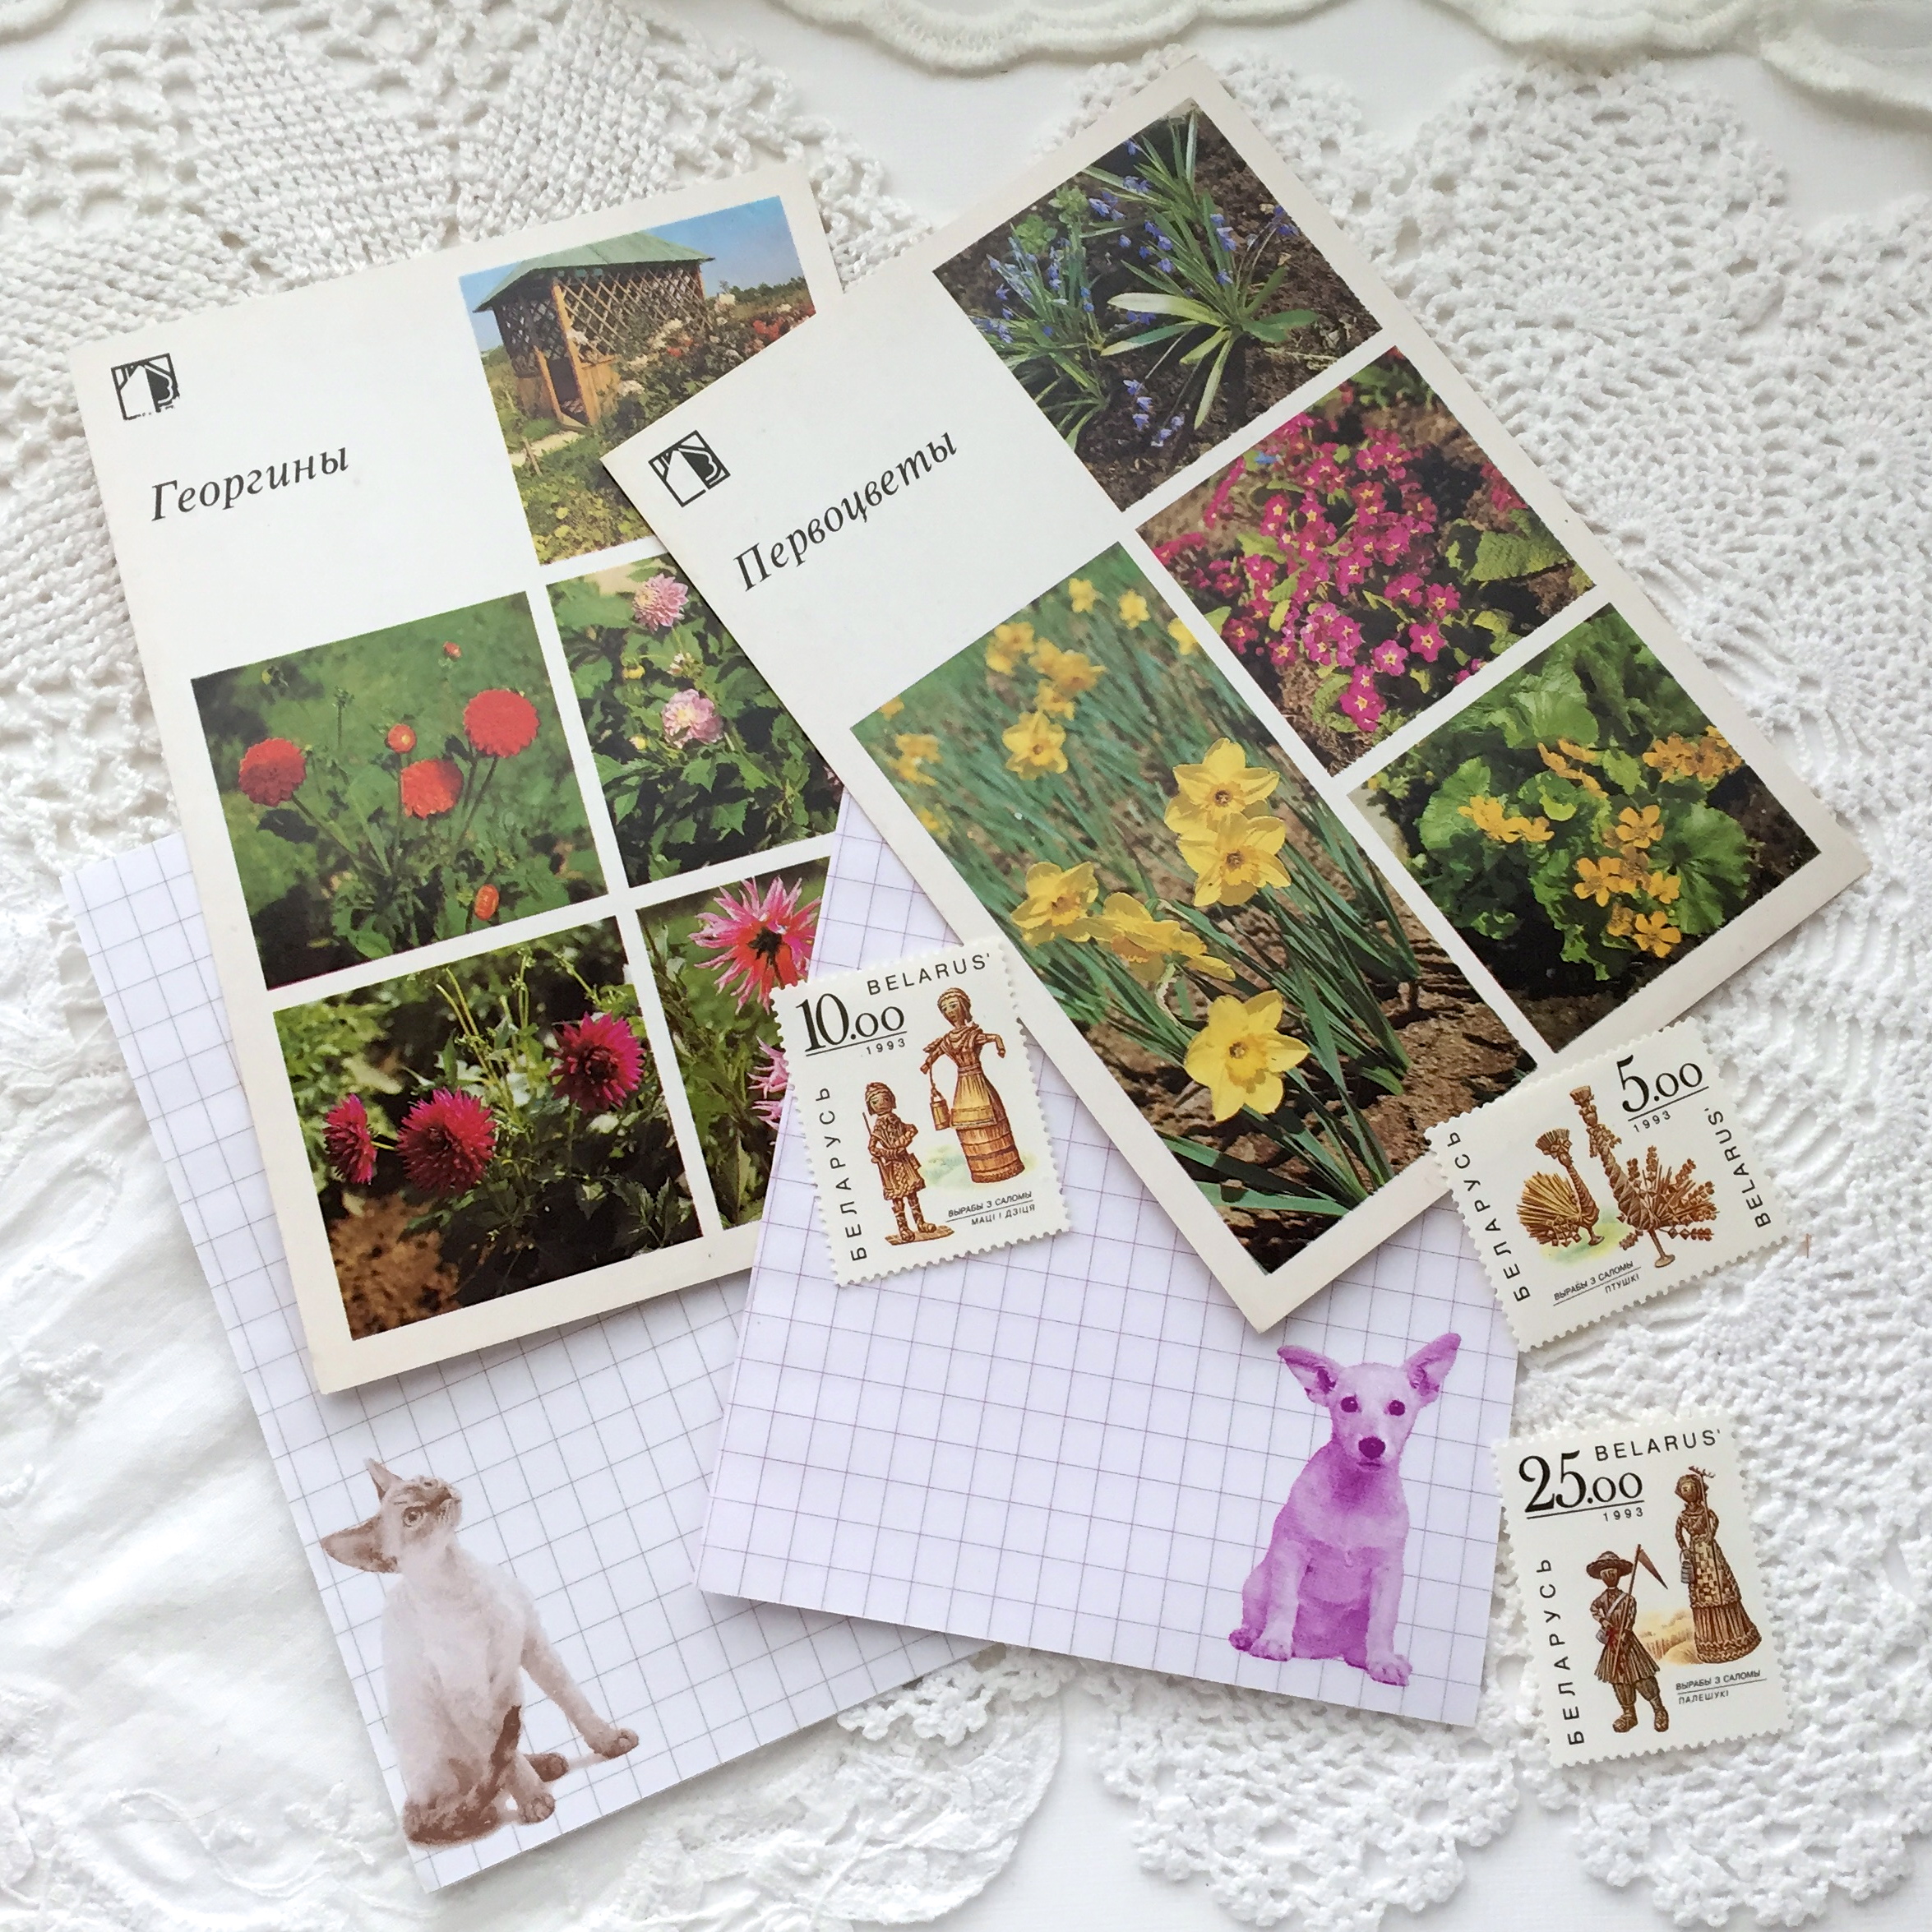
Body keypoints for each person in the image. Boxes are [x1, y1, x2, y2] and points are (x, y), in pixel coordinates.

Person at [921, 988, 1024, 1184]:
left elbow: (993, 1037)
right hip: (963, 1087)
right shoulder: (947, 1039)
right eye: (945, 1009)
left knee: (991, 1120)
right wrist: (927, 1064)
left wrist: (1000, 1044)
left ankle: (1006, 1166)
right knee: (967, 1124)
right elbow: (936, 1054)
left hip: (978, 1082)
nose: (950, 1011)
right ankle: (980, 1170)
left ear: (964, 1007)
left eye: (953, 1005)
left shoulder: (973, 1034)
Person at [1674, 1468, 1763, 1663]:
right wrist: (1685, 1549)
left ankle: (1735, 1636)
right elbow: (1679, 1534)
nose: (1688, 1492)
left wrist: (1710, 1534)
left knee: (1722, 1587)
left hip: (1711, 1552)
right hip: (1696, 1553)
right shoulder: (1683, 1516)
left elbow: (1715, 1521)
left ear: (1698, 1491)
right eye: (1685, 1489)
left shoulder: (1706, 1511)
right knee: (1703, 1593)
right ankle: (1711, 1643)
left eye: (1691, 1488)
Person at [1586, 1551, 1670, 1734]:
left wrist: (1624, 1632)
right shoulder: (1601, 1599)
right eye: (1605, 1573)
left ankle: (1659, 1710)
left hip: (1628, 1643)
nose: (1609, 1576)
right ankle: (1629, 1715)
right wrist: (1603, 1621)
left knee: (1642, 1678)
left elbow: (1630, 1618)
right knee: (1619, 1680)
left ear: (1618, 1575)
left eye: (1612, 1572)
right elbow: (1594, 1609)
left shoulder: (1628, 1599)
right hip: (1612, 1644)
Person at [864, 1082, 951, 1246]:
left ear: (891, 1100)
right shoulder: (878, 1126)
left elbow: (911, 1128)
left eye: (885, 1099)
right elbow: (872, 1148)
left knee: (912, 1194)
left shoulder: (895, 1119)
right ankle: (903, 1228)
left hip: (904, 1162)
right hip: (892, 1166)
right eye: (875, 1102)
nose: (881, 1104)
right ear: (871, 1106)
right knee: (897, 1198)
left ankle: (920, 1223)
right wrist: (889, 1153)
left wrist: (906, 1138)